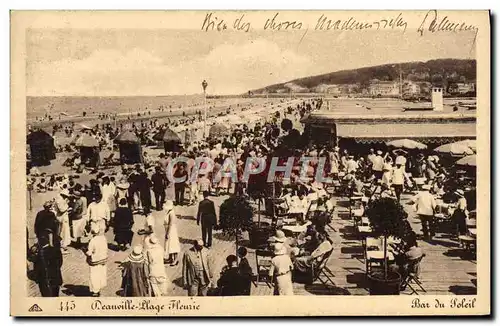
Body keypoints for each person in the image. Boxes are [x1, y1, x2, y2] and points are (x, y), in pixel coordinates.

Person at [85, 223, 108, 297]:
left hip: (95, 261)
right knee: (101, 274)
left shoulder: (92, 241)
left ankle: (95, 291)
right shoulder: (103, 238)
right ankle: (99, 287)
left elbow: (89, 253)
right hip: (103, 260)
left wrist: (85, 251)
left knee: (94, 275)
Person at [53, 189, 71, 254]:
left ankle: (63, 245)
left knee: (64, 232)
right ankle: (62, 246)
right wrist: (67, 206)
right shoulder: (59, 200)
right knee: (63, 232)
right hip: (61, 217)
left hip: (63, 217)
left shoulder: (61, 199)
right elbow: (62, 209)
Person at [163, 200, 181, 266]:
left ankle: (175, 260)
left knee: (173, 245)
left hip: (171, 231)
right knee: (169, 245)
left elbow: (170, 224)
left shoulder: (171, 213)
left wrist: (167, 233)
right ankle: (170, 258)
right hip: (168, 229)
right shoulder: (169, 212)